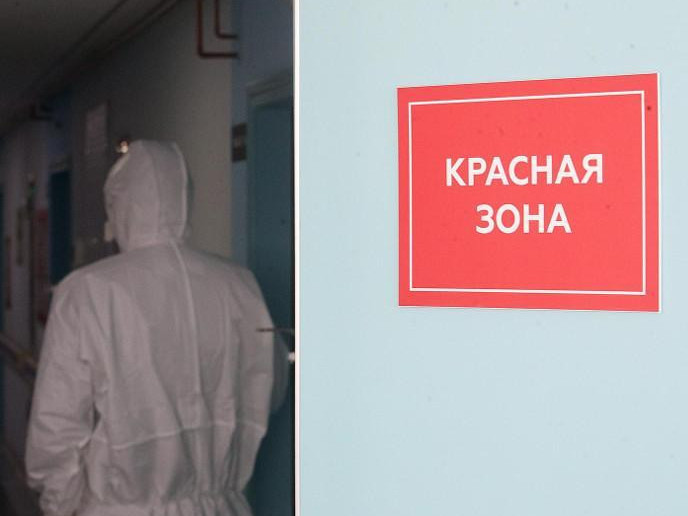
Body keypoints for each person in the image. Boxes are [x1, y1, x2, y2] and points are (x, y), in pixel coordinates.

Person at [26, 140, 288, 516]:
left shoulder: (87, 291)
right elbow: (271, 388)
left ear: (119, 204)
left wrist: (59, 503)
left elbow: (57, 426)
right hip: (221, 505)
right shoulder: (239, 285)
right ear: (184, 199)